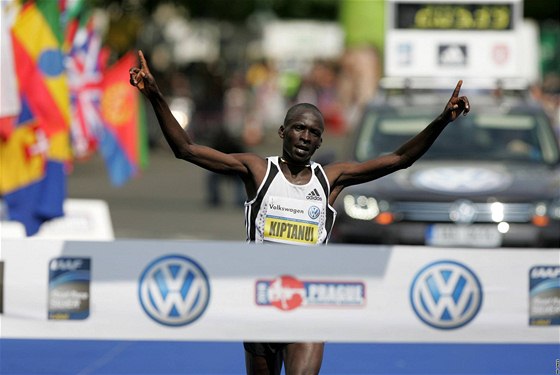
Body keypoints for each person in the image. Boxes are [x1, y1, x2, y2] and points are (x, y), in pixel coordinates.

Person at [129, 50, 470, 375]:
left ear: (321, 143)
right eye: (299, 128)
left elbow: (399, 159)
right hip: (260, 298)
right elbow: (185, 148)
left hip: (308, 301)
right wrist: (156, 95)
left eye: (314, 133)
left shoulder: (330, 179)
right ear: (282, 132)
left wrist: (441, 120)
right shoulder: (258, 171)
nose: (305, 137)